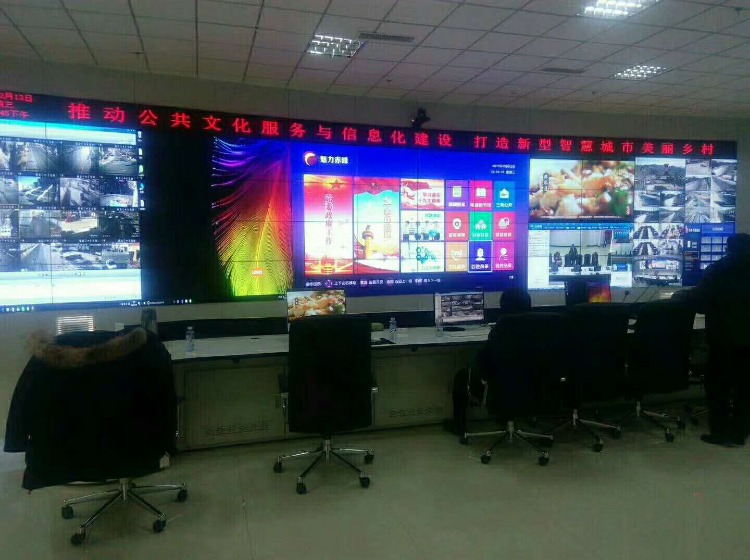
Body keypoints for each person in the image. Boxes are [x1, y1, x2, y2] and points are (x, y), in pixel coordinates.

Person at [687, 233, 750, 446]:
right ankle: (740, 433)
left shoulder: (718, 270)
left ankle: (720, 433)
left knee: (718, 387)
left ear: (728, 249)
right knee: (745, 389)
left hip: (724, 339)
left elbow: (699, 301)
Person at [448, 288, 533, 435]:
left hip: (498, 386)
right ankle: (508, 418)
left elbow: (484, 360)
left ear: (503, 306)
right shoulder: (538, 327)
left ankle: (459, 426)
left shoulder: (502, 329)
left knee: (462, 376)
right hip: (533, 386)